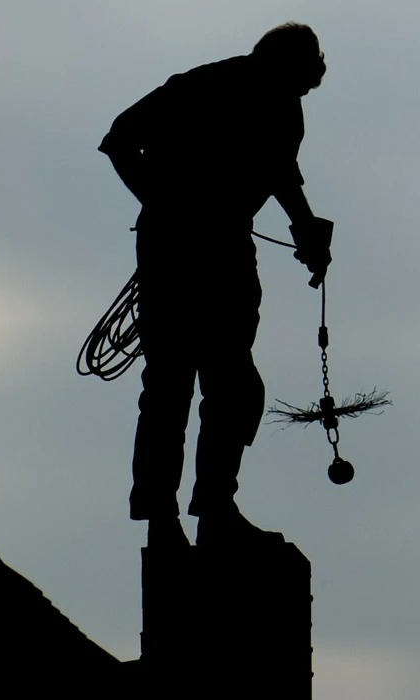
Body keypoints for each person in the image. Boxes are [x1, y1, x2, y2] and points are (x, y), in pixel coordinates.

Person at [98, 22, 332, 548]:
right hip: (178, 249)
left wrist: (307, 232)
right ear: (286, 65)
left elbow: (280, 173)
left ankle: (212, 509)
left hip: (225, 248)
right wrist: (159, 202)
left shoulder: (283, 104)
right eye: (301, 80)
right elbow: (118, 139)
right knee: (173, 385)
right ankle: (166, 518)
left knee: (232, 387)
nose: (302, 93)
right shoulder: (200, 85)